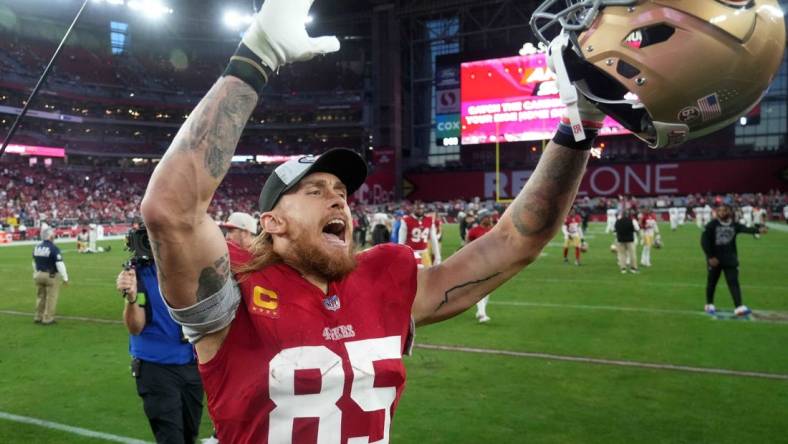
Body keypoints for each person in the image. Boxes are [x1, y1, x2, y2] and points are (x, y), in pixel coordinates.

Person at [138, 1, 628, 441]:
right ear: (273, 222)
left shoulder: (384, 280)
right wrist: (256, 55)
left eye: (342, 193)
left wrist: (579, 125)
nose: (338, 201)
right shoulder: (232, 295)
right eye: (315, 191)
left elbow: (516, 242)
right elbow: (169, 212)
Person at [116, 225, 204, 444]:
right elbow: (135, 326)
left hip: (192, 364)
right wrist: (132, 297)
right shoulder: (139, 275)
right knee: (171, 438)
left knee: (189, 435)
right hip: (157, 368)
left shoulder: (189, 269)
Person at [700, 204, 767, 316]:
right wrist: (710, 256)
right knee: (712, 282)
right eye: (719, 210)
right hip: (715, 259)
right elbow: (704, 241)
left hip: (730, 259)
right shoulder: (711, 225)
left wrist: (758, 230)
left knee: (733, 282)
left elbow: (745, 229)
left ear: (729, 212)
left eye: (724, 210)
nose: (721, 212)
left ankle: (739, 306)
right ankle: (709, 304)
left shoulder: (734, 224)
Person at [32, 228, 69, 324]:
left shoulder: (37, 247)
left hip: (38, 274)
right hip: (50, 275)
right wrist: (65, 278)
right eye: (53, 235)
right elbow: (59, 264)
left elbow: (34, 262)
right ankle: (47, 318)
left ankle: (38, 316)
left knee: (40, 296)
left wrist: (36, 272)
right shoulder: (53, 248)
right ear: (50, 236)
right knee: (51, 297)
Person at [466, 210, 494, 323]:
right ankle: (482, 314)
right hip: (478, 262)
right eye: (488, 217)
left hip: (491, 262)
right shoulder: (474, 231)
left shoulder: (494, 230)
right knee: (481, 288)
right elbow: (467, 246)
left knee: (488, 289)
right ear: (483, 218)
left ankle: (480, 311)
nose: (490, 219)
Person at [398, 202, 441, 268]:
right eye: (418, 209)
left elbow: (434, 239)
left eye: (421, 209)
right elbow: (401, 241)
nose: (420, 210)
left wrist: (437, 256)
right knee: (412, 275)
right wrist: (401, 255)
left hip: (424, 253)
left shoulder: (429, 220)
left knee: (427, 275)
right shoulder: (406, 220)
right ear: (413, 209)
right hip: (411, 253)